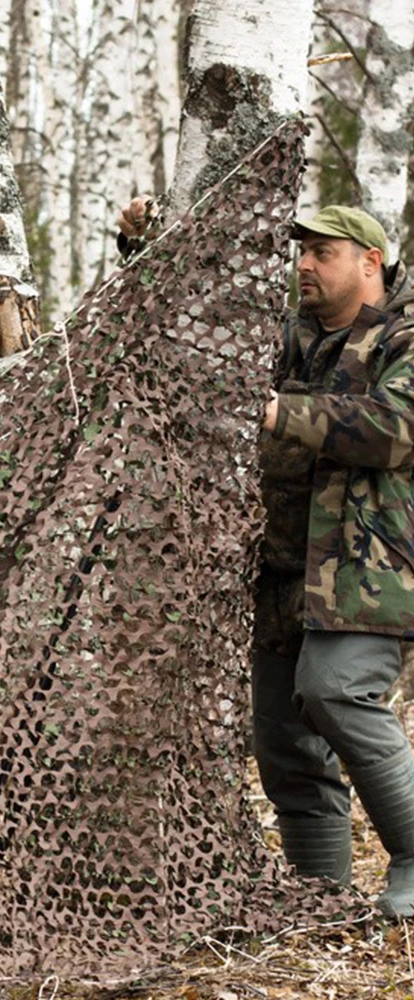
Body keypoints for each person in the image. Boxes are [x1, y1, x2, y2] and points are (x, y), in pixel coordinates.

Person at [119, 199, 414, 918]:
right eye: (300, 253)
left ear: (370, 261)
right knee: (284, 743)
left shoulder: (403, 336)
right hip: (282, 567)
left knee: (335, 690)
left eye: (322, 253)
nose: (303, 266)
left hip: (369, 567)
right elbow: (189, 337)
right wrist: (144, 249)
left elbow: (397, 428)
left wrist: (279, 409)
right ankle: (320, 900)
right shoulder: (288, 337)